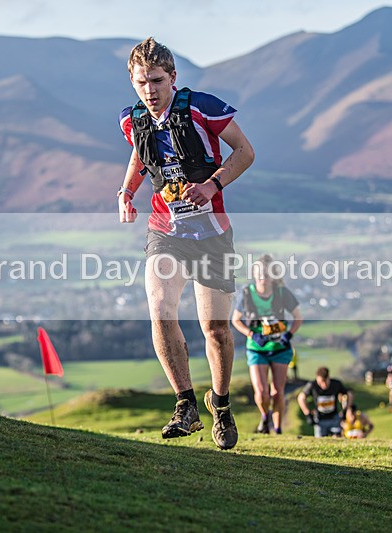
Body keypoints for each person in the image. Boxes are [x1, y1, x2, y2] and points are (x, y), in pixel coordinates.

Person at [117, 38, 255, 450]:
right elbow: (141, 156)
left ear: (173, 78)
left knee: (214, 328)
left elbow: (245, 152)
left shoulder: (202, 108)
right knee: (160, 312)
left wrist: (212, 185)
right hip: (165, 231)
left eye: (157, 81)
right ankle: (185, 405)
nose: (150, 90)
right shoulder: (133, 120)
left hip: (211, 232)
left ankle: (222, 405)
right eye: (141, 82)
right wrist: (126, 191)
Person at [231, 254, 303, 434]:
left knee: (278, 392)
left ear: (272, 275)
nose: (263, 276)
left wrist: (288, 335)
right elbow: (236, 320)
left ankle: (277, 429)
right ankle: (265, 416)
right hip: (257, 349)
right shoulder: (247, 294)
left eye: (266, 273)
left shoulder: (282, 293)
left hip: (280, 348)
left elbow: (298, 318)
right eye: (259, 273)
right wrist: (251, 335)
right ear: (254, 274)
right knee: (262, 392)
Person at [297, 366, 352, 438]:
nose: (324, 385)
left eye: (325, 381)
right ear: (317, 379)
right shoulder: (312, 385)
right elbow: (301, 398)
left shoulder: (336, 384)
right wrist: (307, 414)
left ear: (328, 377)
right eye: (320, 382)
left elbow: (349, 394)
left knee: (338, 439)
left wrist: (346, 410)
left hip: (334, 419)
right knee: (320, 441)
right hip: (319, 420)